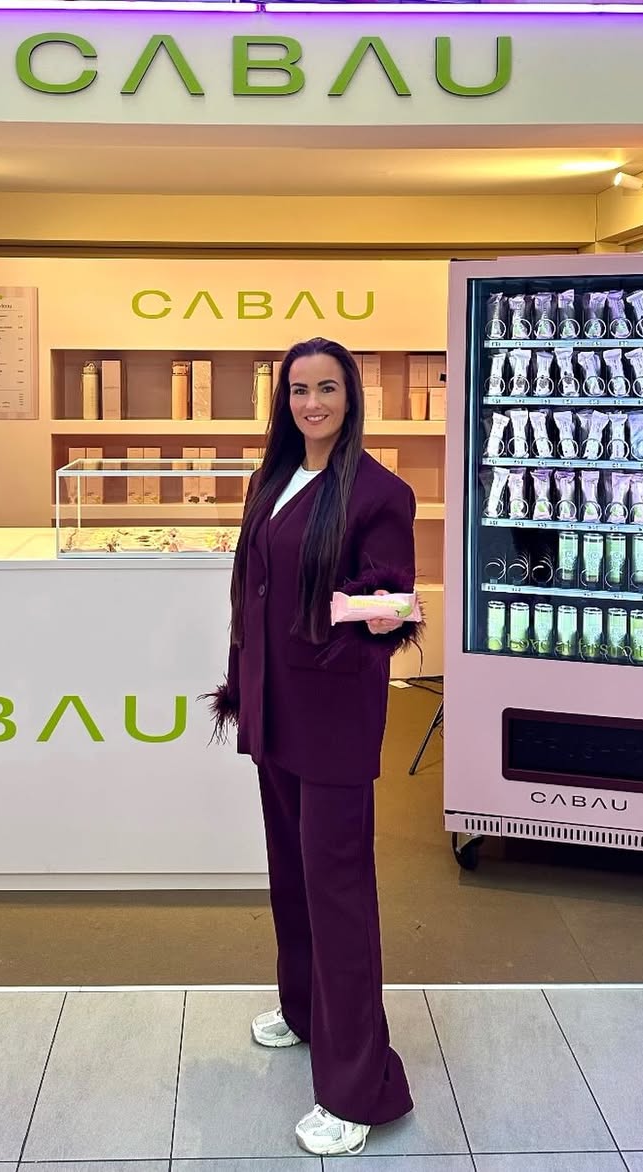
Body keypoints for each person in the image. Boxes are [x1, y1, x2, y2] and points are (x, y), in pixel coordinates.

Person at [205, 336, 420, 1157]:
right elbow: (251, 590)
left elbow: (392, 607)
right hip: (275, 711)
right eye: (299, 390)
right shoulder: (274, 478)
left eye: (327, 388)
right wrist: (246, 680)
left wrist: (338, 614)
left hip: (331, 719)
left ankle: (360, 1086)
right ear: (283, 400)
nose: (312, 404)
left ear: (350, 396)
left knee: (337, 893)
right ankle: (303, 1009)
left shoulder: (379, 492)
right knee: (291, 876)